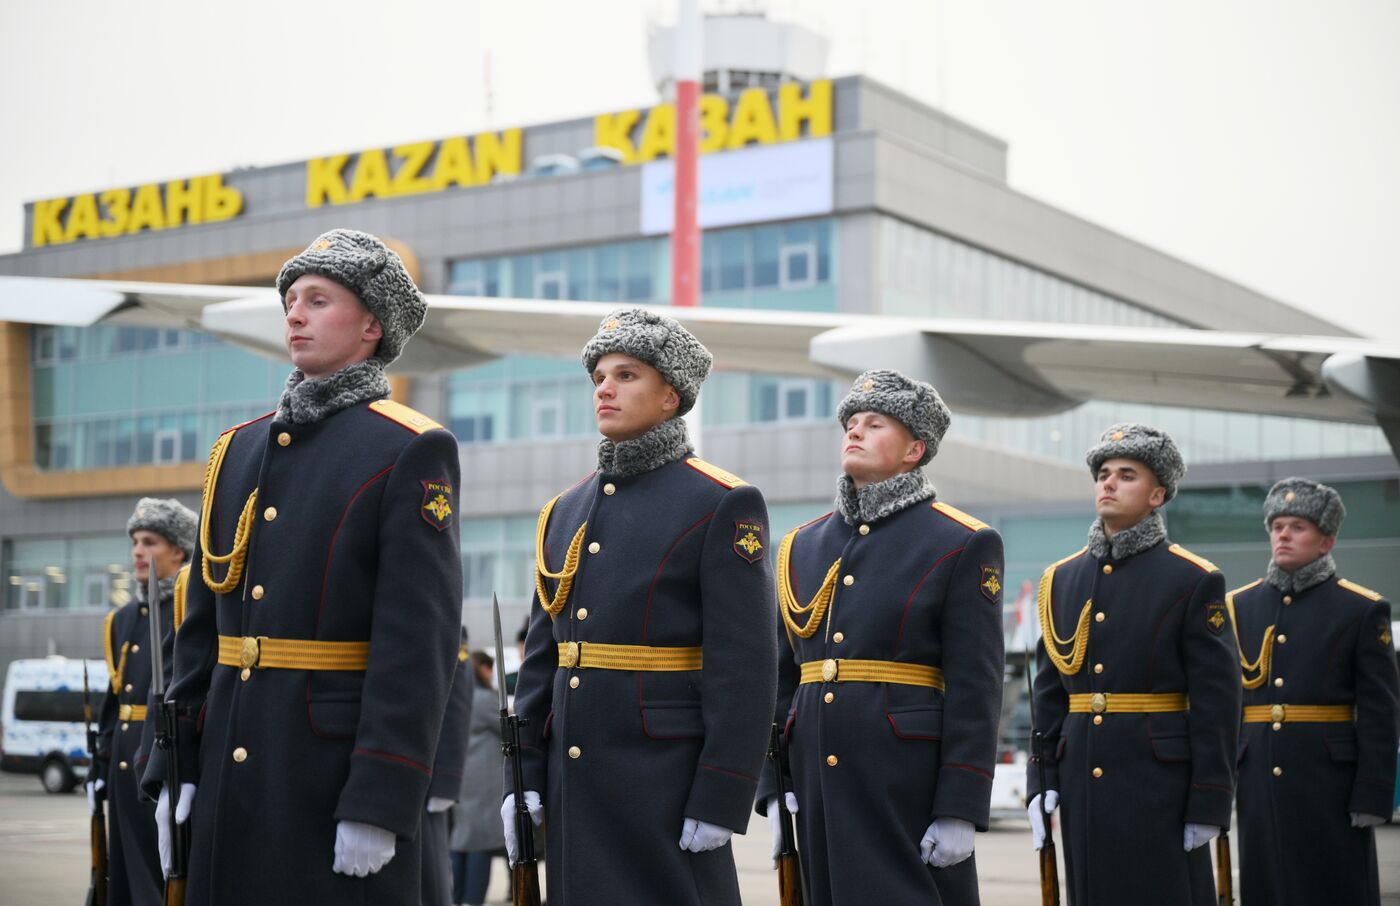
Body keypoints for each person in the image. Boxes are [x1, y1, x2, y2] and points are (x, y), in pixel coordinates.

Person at [141, 229, 463, 904]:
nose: (293, 314)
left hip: (327, 771)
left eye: (318, 300)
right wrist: (175, 768)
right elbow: (198, 633)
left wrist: (381, 796)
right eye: (291, 299)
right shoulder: (237, 450)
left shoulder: (409, 449)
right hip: (229, 768)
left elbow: (417, 644)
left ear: (372, 324)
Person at [505, 308, 778, 905]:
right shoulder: (564, 511)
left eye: (626, 375)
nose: (604, 387)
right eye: (599, 375)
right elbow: (541, 659)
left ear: (670, 395)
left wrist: (722, 794)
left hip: (665, 780)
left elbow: (746, 667)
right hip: (573, 779)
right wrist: (521, 774)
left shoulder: (720, 502)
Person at [757, 370, 1005, 905]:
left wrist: (960, 805)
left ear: (915, 448)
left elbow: (975, 684)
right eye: (850, 422)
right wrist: (773, 784)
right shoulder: (802, 544)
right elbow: (780, 679)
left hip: (905, 779)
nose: (855, 431)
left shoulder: (960, 541)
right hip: (815, 777)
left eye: (875, 423)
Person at [1028, 423, 1240, 904]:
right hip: (1082, 781)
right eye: (1103, 472)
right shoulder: (1060, 579)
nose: (1108, 482)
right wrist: (1040, 783)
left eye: (1127, 474)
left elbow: (1216, 701)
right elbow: (1049, 695)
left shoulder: (1192, 579)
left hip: (1158, 783)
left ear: (1157, 494)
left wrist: (1209, 800)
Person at [1230, 477, 1398, 905]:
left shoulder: (1361, 609)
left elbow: (1380, 711)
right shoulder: (1240, 606)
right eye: (1277, 526)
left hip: (1330, 784)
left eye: (1297, 527)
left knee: (1333, 887)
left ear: (1327, 541)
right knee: (1266, 887)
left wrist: (1373, 795)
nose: (1283, 534)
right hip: (1258, 780)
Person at [89, 497, 195, 906]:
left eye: (149, 541)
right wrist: (99, 764)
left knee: (163, 876)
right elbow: (113, 703)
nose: (138, 551)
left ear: (178, 550)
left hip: (160, 758)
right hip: (122, 765)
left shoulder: (190, 609)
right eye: (134, 541)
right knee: (125, 881)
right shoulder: (122, 619)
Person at [450, 650, 506, 906]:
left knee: (460, 841)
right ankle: (472, 900)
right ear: (480, 669)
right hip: (483, 782)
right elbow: (508, 727)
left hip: (461, 779)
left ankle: (457, 897)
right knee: (479, 844)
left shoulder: (458, 697)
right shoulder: (484, 699)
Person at [423, 629, 474, 906]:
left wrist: (447, 778)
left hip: (424, 773)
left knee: (430, 881)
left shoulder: (451, 630)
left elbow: (456, 703)